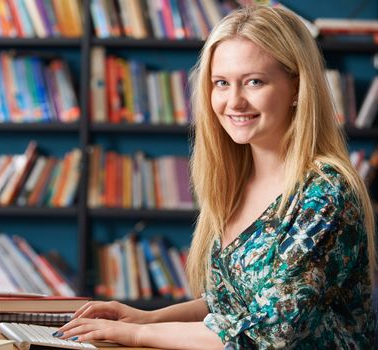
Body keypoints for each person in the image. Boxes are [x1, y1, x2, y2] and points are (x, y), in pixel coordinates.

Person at [56, 5, 376, 349]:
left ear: (297, 87)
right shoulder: (235, 180)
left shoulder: (325, 191)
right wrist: (148, 317)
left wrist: (137, 334)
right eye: (221, 83)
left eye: (254, 82)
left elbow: (269, 332)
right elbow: (232, 306)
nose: (234, 102)